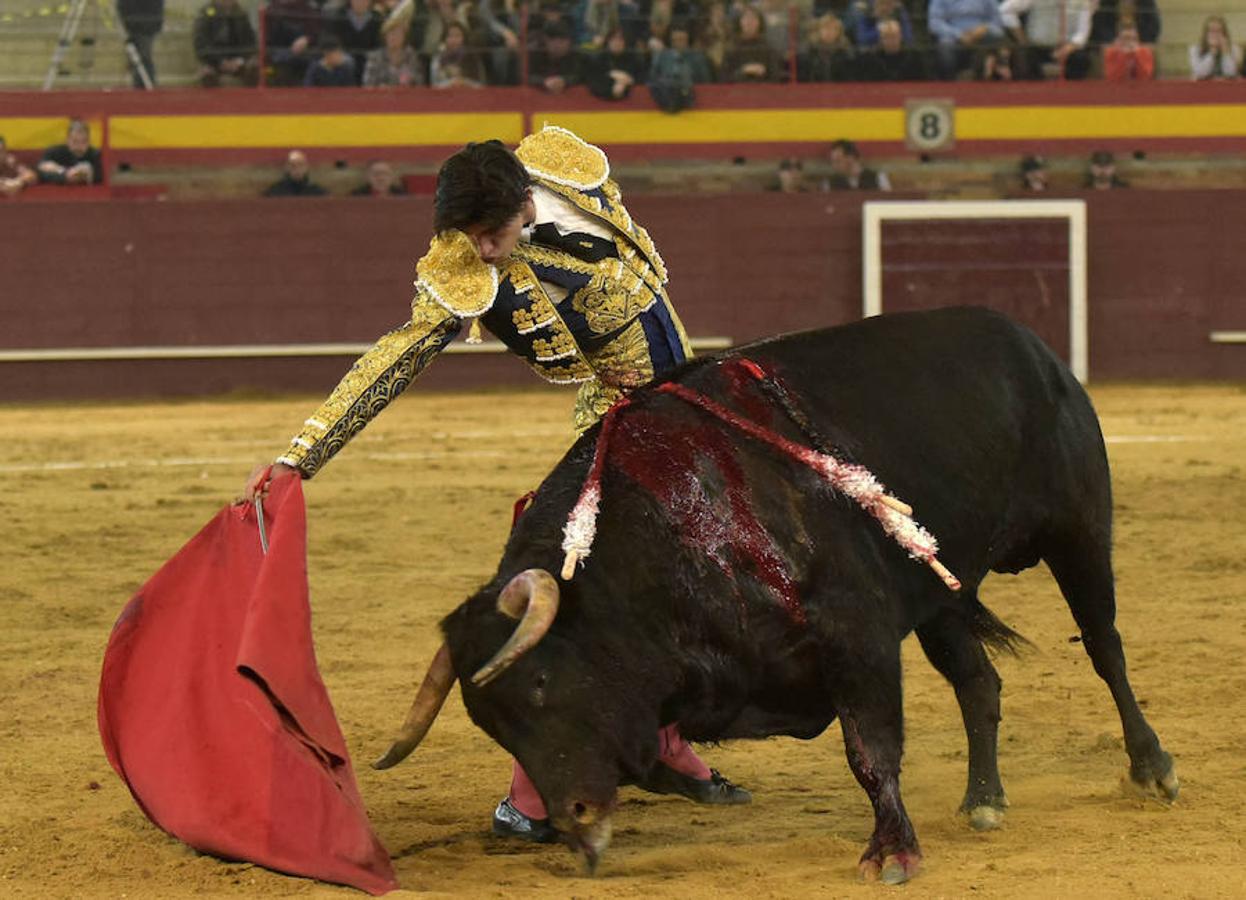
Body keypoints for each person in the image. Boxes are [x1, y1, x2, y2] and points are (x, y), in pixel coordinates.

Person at [242, 127, 751, 841]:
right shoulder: (463, 268)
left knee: (682, 583)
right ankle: (534, 795)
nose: (483, 250)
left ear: (523, 205)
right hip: (620, 422)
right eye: (469, 236)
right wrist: (302, 455)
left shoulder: (563, 169)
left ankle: (663, 742)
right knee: (575, 594)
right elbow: (395, 360)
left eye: (493, 233)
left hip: (685, 404)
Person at [999, 0, 1093, 80]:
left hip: (1067, 51)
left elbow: (1082, 33)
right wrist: (1022, 39)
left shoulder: (1083, 2)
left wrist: (1067, 49)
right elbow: (1005, 10)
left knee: (1082, 59)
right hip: (1036, 48)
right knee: (1023, 64)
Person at [927, 0, 1006, 80]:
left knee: (998, 39)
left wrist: (985, 28)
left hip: (982, 36)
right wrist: (959, 35)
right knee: (945, 48)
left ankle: (987, 79)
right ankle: (949, 86)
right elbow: (935, 23)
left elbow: (998, 23)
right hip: (952, 37)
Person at [648, 22, 712, 112]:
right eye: (675, 40)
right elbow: (653, 79)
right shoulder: (662, 57)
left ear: (687, 40)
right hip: (666, 101)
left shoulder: (698, 58)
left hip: (694, 101)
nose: (678, 43)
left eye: (682, 39)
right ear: (670, 41)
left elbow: (706, 83)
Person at [193, 0, 260, 87]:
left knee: (255, 69)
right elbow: (201, 44)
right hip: (213, 62)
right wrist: (221, 62)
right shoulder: (205, 13)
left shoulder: (242, 14)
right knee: (207, 75)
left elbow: (251, 42)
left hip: (239, 62)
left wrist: (240, 61)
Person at [264, 0, 323, 86]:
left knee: (318, 63)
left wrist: (307, 39)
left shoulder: (308, 7)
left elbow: (317, 33)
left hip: (306, 52)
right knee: (280, 64)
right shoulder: (271, 8)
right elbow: (268, 39)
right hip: (279, 52)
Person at [721, 5, 781, 82]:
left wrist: (763, 73)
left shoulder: (769, 49)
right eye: (746, 18)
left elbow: (776, 78)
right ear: (740, 22)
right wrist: (744, 70)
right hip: (737, 92)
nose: (749, 22)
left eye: (753, 18)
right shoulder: (731, 49)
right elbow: (724, 80)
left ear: (760, 23)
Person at [856, 17, 927, 81]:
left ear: (900, 37)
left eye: (894, 37)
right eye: (886, 37)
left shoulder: (914, 59)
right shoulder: (870, 60)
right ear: (880, 39)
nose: (891, 41)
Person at [37, 119, 103, 186]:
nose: (79, 146)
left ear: (89, 141)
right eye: (75, 141)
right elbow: (41, 169)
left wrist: (86, 174)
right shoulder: (54, 152)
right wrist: (64, 173)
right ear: (67, 140)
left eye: (84, 141)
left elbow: (101, 175)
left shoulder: (95, 155)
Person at [329, 0, 383, 83]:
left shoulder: (377, 18)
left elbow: (379, 44)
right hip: (344, 60)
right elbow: (332, 40)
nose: (360, 2)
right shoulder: (339, 16)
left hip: (370, 61)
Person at [585, 27, 644, 100]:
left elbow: (642, 79)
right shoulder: (600, 59)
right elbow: (593, 82)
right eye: (613, 39)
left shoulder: (633, 60)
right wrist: (612, 76)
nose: (617, 43)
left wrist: (627, 81)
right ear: (608, 42)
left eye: (620, 39)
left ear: (625, 42)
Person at [363, 18, 425, 86]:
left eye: (397, 33)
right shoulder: (375, 58)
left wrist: (410, 80)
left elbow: (419, 84)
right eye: (390, 33)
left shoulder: (412, 56)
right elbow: (368, 85)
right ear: (385, 36)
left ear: (404, 36)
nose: (393, 36)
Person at [117, 0, 164, 87]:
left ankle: (146, 85)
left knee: (143, 58)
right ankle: (142, 84)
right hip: (135, 23)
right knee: (138, 58)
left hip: (146, 24)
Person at [797, 13, 856, 83]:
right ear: (819, 30)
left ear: (839, 32)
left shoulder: (846, 51)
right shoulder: (809, 49)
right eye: (826, 27)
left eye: (834, 28)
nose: (829, 31)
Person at [528, 21, 584, 92]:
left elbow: (580, 76)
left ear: (570, 42)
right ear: (545, 40)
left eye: (562, 41)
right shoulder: (535, 53)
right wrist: (543, 81)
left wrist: (564, 81)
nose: (557, 45)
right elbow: (526, 76)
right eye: (553, 40)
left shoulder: (576, 55)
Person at [430, 21, 487, 87]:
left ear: (464, 38)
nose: (453, 40)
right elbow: (434, 86)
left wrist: (464, 82)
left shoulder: (473, 57)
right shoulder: (438, 58)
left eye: (457, 36)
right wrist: (451, 82)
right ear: (444, 39)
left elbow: (480, 86)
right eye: (450, 36)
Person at [823, 139, 891, 191]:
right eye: (833, 162)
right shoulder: (830, 184)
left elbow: (887, 204)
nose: (834, 166)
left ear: (850, 158)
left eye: (838, 161)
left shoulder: (878, 178)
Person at [1188, 15, 1241, 80]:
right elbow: (1200, 73)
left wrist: (1225, 52)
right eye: (1211, 31)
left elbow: (1231, 73)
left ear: (1224, 33)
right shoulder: (1195, 49)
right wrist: (1212, 52)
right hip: (1203, 87)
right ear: (1205, 33)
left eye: (1219, 31)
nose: (1215, 34)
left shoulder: (1234, 49)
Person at [263, 150, 328, 196]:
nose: (297, 169)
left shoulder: (317, 193)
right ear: (287, 168)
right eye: (292, 165)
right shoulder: (275, 192)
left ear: (306, 167)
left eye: (300, 165)